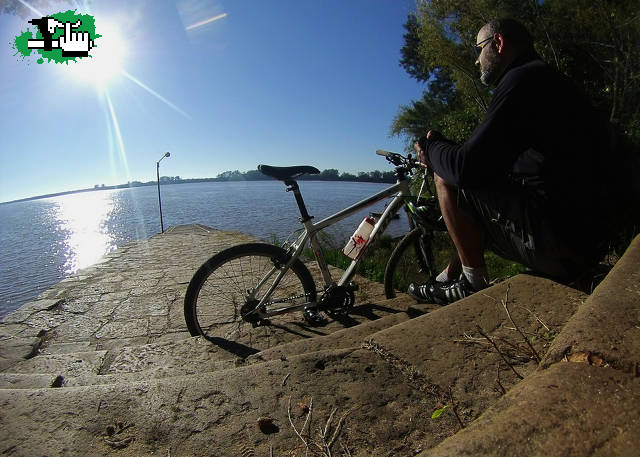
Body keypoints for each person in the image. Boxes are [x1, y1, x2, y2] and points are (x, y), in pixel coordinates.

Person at [408, 18, 629, 305]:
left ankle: (471, 285)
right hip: (588, 240)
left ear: (498, 44)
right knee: (476, 190)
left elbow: (465, 169)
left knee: (446, 177)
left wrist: (432, 147)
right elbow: (486, 160)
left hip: (562, 245)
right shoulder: (548, 81)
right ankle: (448, 278)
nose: (476, 62)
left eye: (478, 49)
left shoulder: (522, 80)